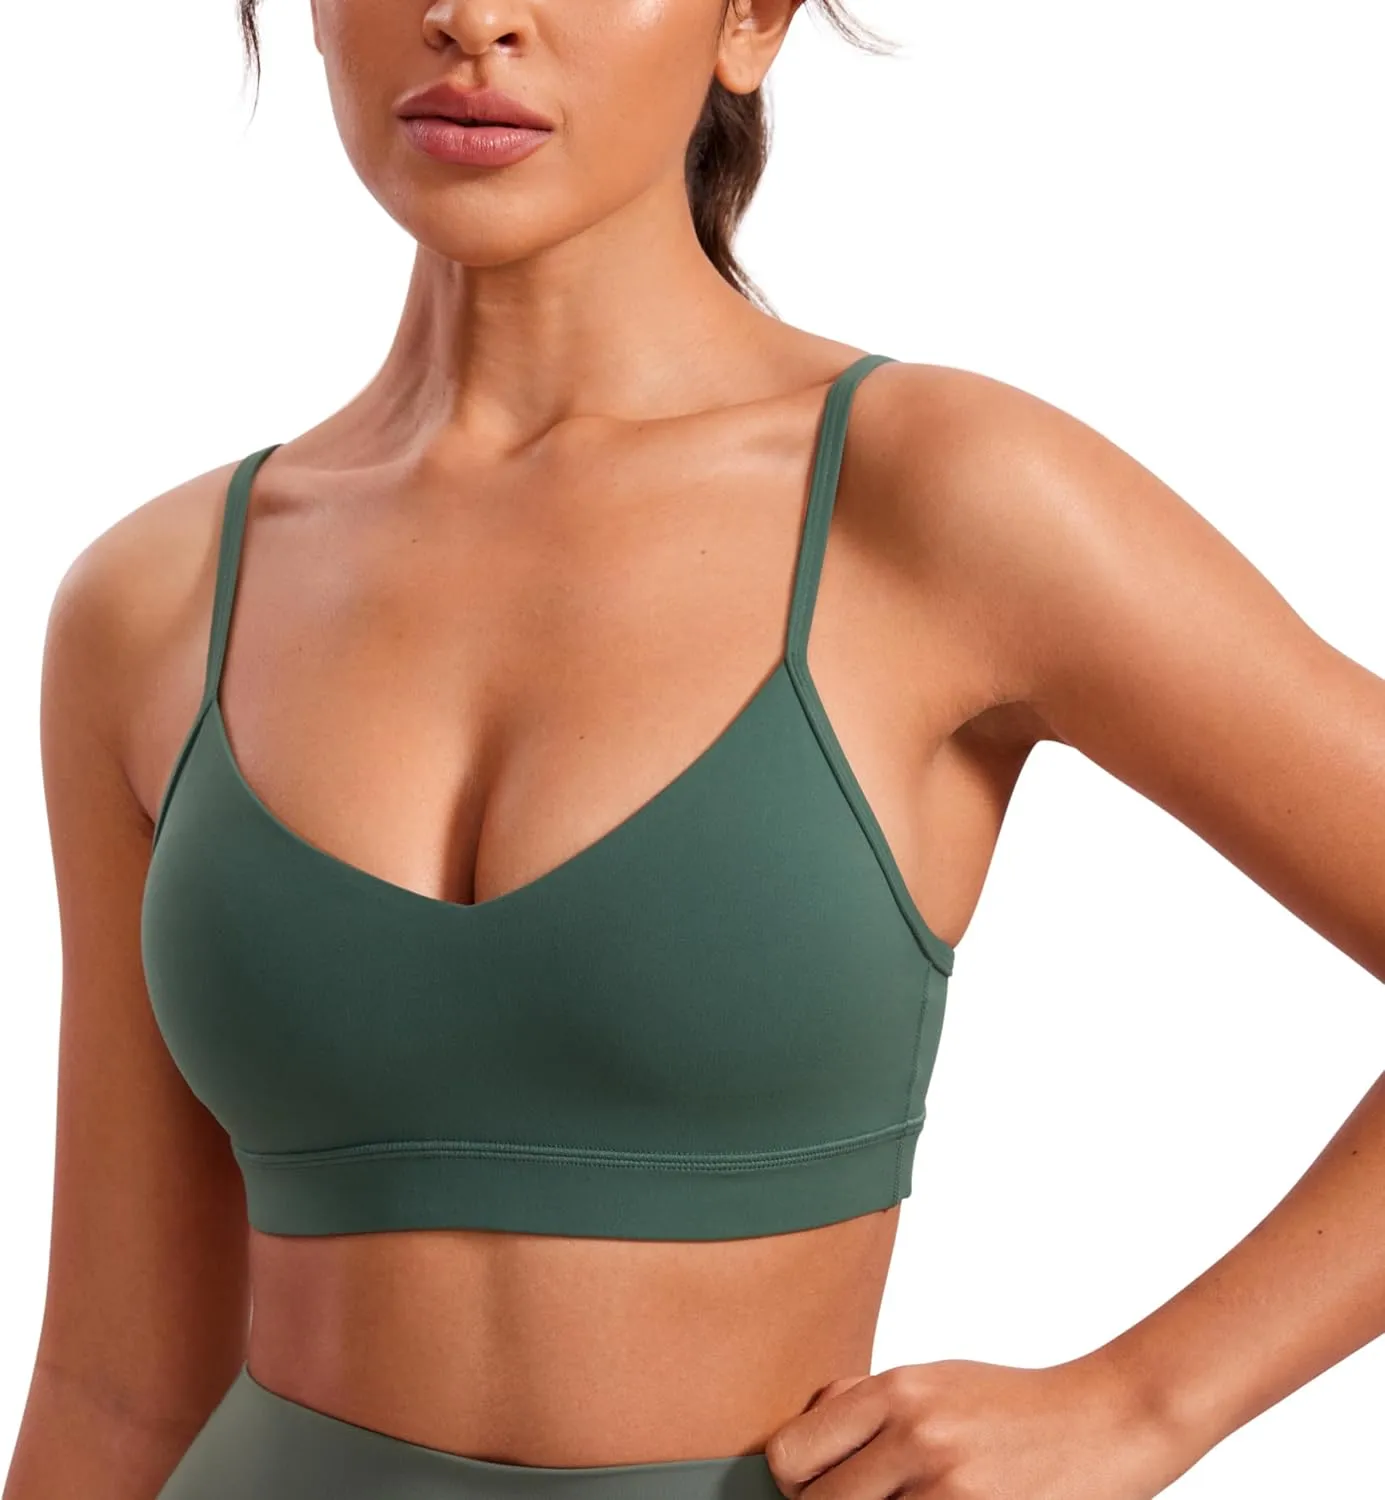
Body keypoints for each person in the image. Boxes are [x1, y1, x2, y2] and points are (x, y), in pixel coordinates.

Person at [5, 0, 1384, 1496]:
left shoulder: (941, 501)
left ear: (748, 22)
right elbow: (114, 1390)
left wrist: (1146, 1406)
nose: (474, 19)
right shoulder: (153, 603)